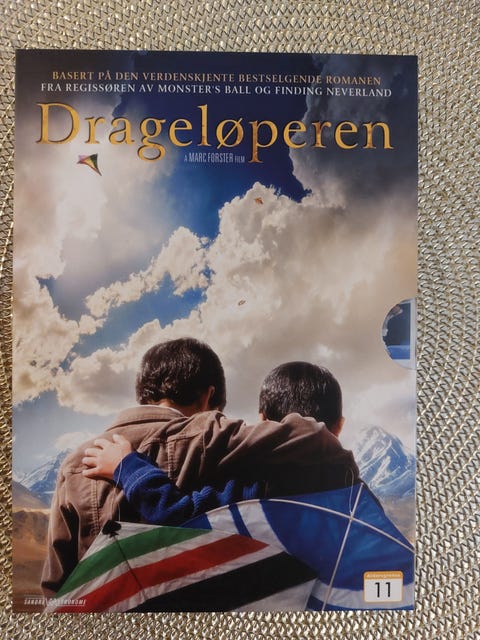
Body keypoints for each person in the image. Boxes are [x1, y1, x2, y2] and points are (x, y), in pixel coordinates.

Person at [41, 339, 358, 596]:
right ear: (209, 397)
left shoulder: (74, 463)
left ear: (142, 392)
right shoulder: (211, 434)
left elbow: (58, 585)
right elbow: (313, 435)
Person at [81, 361, 353, 525]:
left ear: (262, 421)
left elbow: (181, 516)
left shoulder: (255, 488)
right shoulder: (353, 494)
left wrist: (128, 467)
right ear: (339, 425)